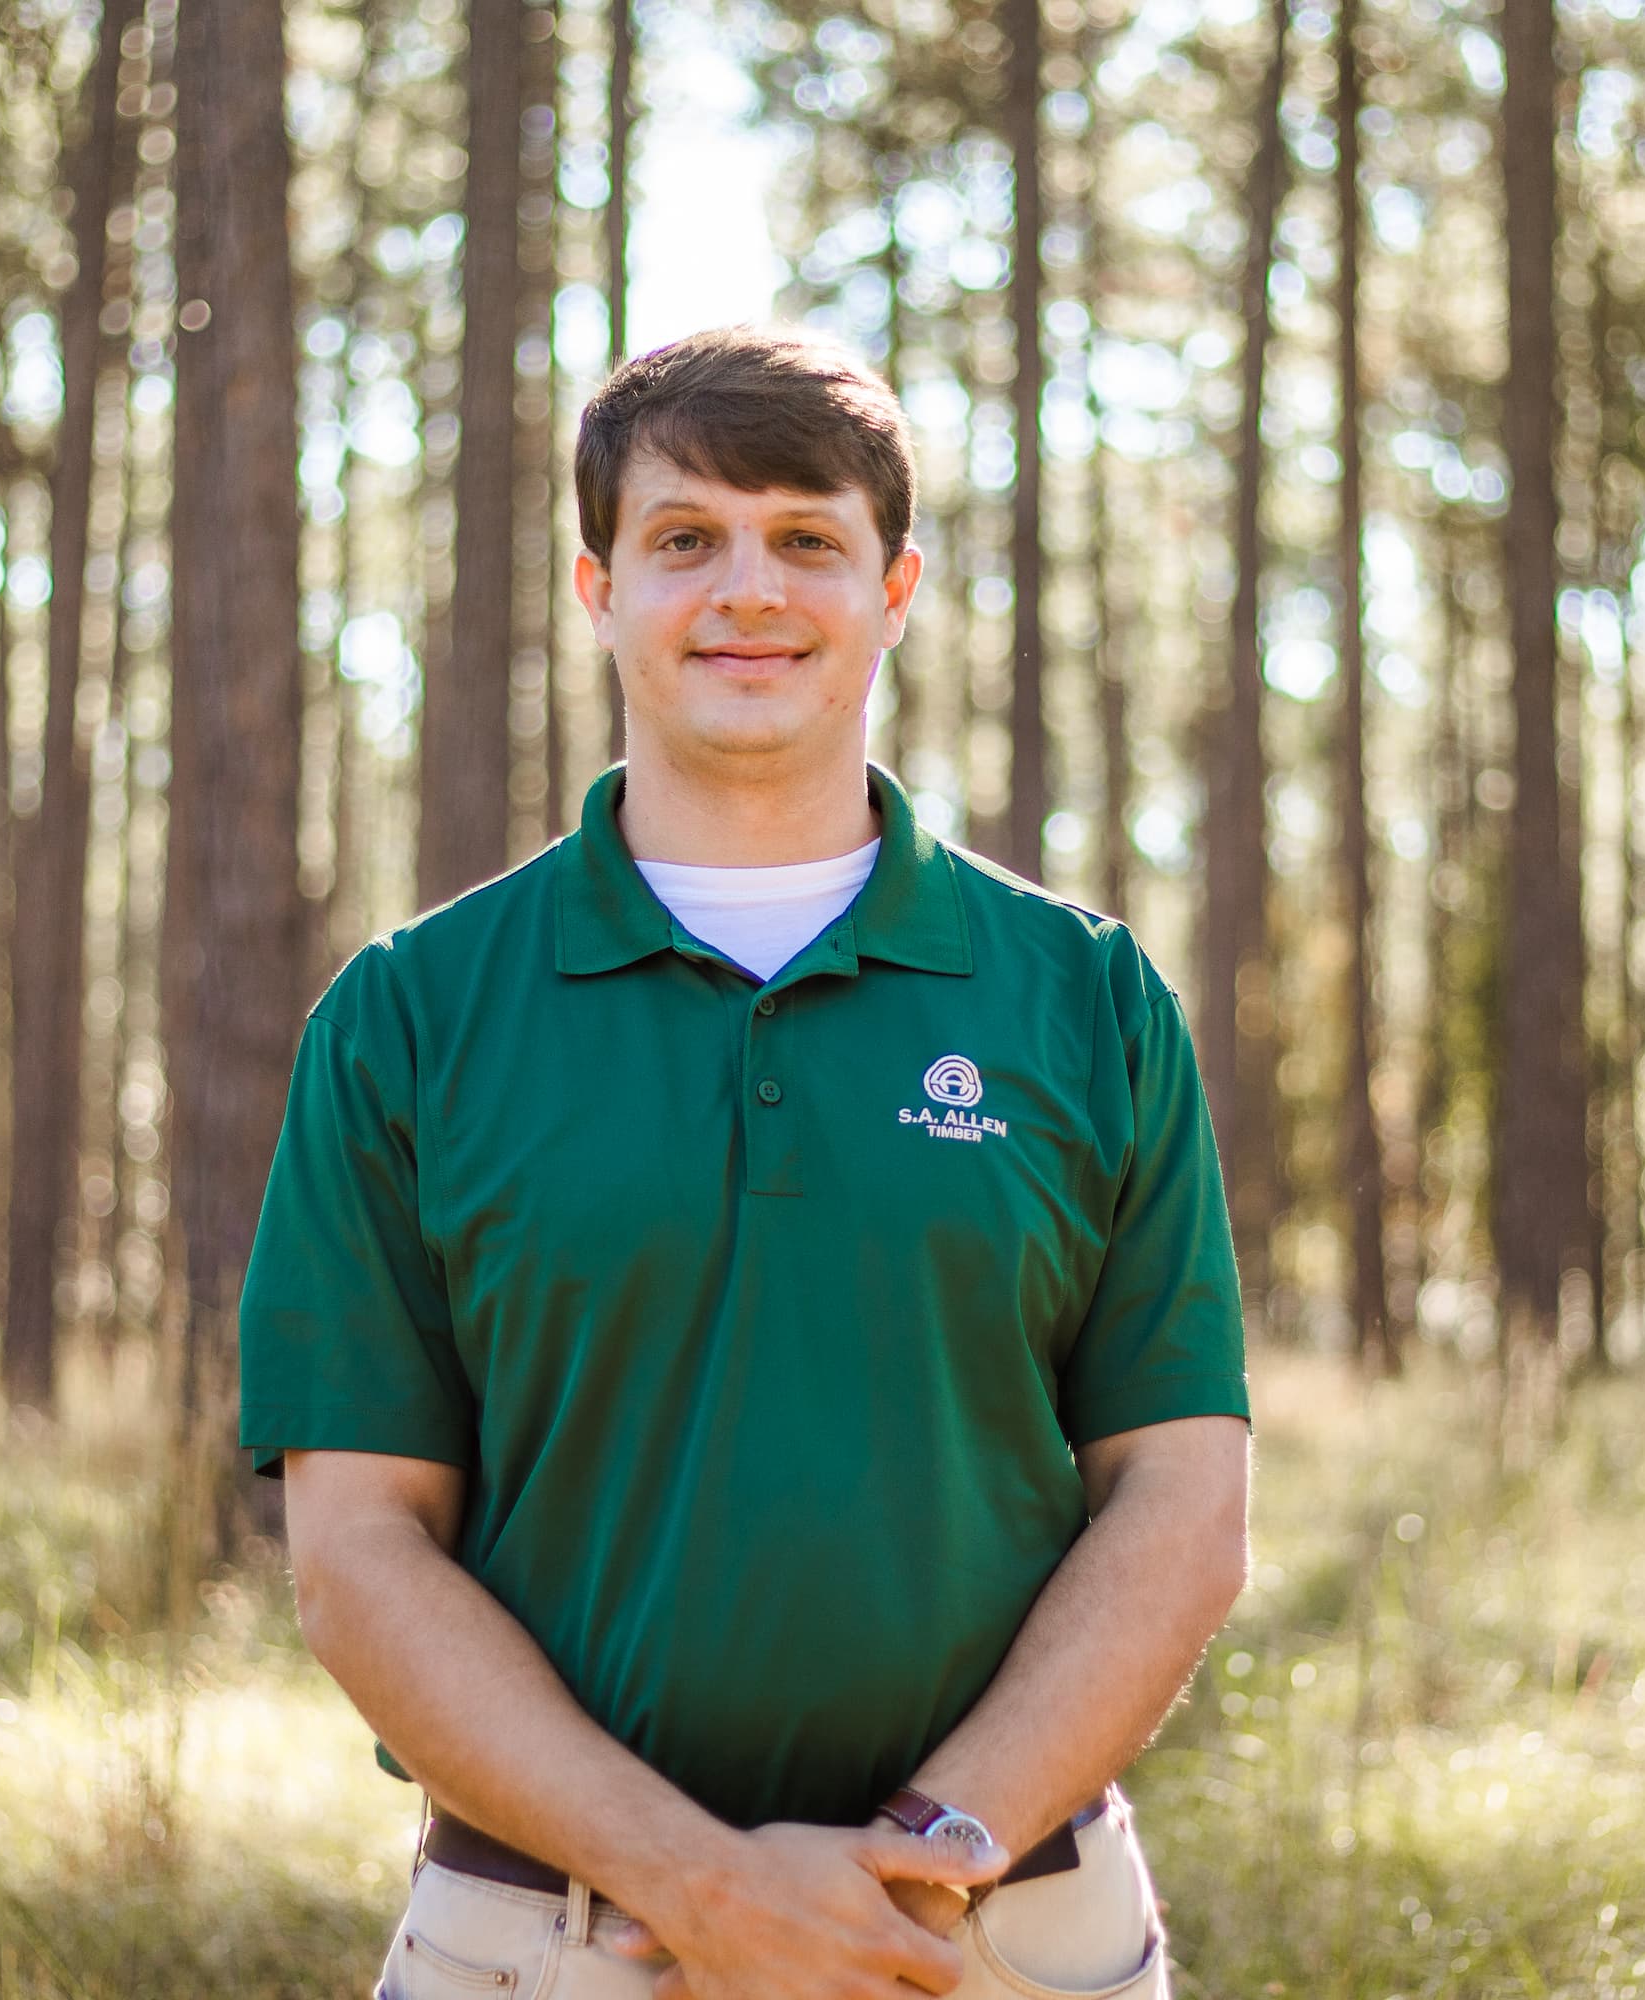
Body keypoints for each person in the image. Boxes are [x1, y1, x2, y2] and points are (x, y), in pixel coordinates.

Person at [237, 324, 1251, 2000]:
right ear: (598, 586)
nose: (748, 591)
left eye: (807, 540)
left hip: (998, 1927)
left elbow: (1183, 1503)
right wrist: (695, 1884)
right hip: (549, 1937)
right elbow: (358, 1552)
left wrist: (920, 1859)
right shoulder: (409, 1019)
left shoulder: (1085, 1000)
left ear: (895, 584)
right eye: (685, 539)